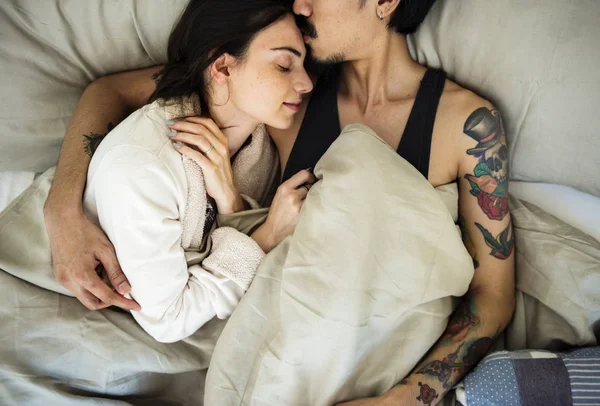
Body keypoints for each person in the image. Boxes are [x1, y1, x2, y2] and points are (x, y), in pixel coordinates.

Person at [44, 0, 515, 403]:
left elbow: (492, 297)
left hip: (387, 352)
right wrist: (62, 210)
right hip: (270, 337)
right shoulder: (279, 93)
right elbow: (111, 91)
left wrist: (406, 398)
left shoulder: (466, 124)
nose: (300, 6)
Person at [61, 0, 314, 343]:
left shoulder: (261, 152)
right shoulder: (143, 167)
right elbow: (167, 320)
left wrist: (231, 201)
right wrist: (266, 236)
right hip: (74, 314)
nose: (306, 83)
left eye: (303, 64)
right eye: (284, 65)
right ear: (223, 68)